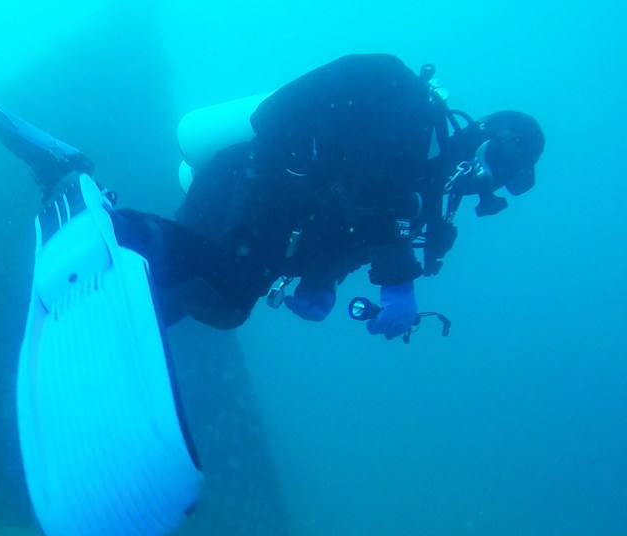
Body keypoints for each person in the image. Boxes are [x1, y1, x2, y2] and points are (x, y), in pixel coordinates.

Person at [106, 53, 545, 338]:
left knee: (216, 298)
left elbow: (353, 231)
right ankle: (111, 229)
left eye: (509, 179)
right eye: (504, 165)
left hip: (271, 218)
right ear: (490, 136)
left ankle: (113, 323)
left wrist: (323, 280)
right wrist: (396, 279)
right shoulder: (414, 119)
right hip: (248, 182)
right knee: (223, 287)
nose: (493, 182)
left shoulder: (426, 192)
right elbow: (372, 183)